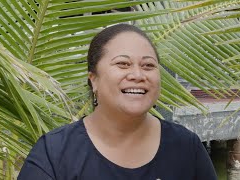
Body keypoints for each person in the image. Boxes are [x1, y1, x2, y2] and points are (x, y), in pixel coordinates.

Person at [18, 24, 217, 180]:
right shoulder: (54, 152)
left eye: (148, 65)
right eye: (123, 64)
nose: (138, 74)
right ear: (93, 79)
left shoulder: (186, 147)